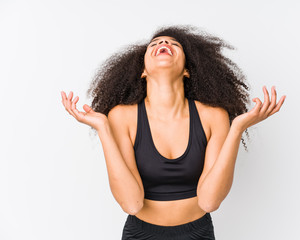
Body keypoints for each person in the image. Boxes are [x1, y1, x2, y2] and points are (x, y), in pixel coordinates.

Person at [60, 25, 286, 239]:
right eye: (155, 43)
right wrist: (103, 129)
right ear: (142, 72)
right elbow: (131, 204)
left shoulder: (213, 116)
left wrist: (237, 128)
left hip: (198, 233)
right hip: (140, 234)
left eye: (173, 44)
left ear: (187, 70)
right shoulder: (122, 117)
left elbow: (209, 202)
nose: (164, 42)